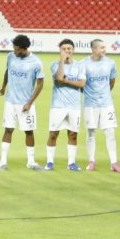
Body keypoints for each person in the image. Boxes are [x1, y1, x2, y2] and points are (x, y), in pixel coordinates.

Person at [0, 34, 44, 170]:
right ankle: (2, 161)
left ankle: (31, 161)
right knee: (8, 129)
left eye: (17, 49)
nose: (15, 51)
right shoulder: (11, 57)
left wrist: (30, 102)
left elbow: (40, 84)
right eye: (14, 48)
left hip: (25, 103)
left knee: (29, 132)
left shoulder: (36, 62)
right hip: (10, 101)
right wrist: (3, 86)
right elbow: (8, 71)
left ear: (25, 49)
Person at [82, 39, 120, 172]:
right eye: (101, 48)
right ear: (93, 49)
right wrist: (90, 94)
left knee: (110, 132)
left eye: (104, 47)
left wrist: (104, 94)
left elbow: (112, 81)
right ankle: (91, 161)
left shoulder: (111, 63)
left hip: (106, 103)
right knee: (91, 132)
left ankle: (114, 162)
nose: (104, 50)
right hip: (90, 104)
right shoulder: (83, 64)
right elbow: (81, 84)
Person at [46, 38, 85, 171]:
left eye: (69, 48)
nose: (67, 51)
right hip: (58, 106)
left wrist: (66, 81)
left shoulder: (80, 66)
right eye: (64, 49)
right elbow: (58, 78)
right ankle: (50, 162)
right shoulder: (54, 64)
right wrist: (62, 61)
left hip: (74, 106)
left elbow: (81, 84)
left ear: (73, 50)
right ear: (60, 50)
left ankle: (71, 163)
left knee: (73, 134)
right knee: (53, 134)